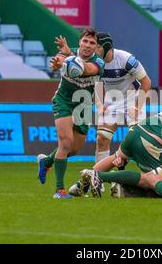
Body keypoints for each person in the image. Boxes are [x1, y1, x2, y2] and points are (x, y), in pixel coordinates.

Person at [68, 32, 151, 196]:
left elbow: (146, 82)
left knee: (139, 144)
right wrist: (100, 105)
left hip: (132, 101)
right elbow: (96, 85)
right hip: (112, 103)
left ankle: (151, 179)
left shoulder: (126, 59)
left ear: (105, 47)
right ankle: (98, 180)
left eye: (97, 46)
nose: (93, 49)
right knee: (102, 139)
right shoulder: (95, 62)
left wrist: (137, 106)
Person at [37, 29, 105, 199]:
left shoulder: (99, 63)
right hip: (64, 101)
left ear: (96, 47)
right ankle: (59, 191)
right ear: (80, 42)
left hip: (84, 105)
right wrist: (58, 62)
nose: (88, 45)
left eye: (92, 43)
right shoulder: (68, 56)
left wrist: (67, 59)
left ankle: (46, 162)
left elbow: (88, 69)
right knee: (65, 143)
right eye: (85, 41)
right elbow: (59, 59)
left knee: (74, 150)